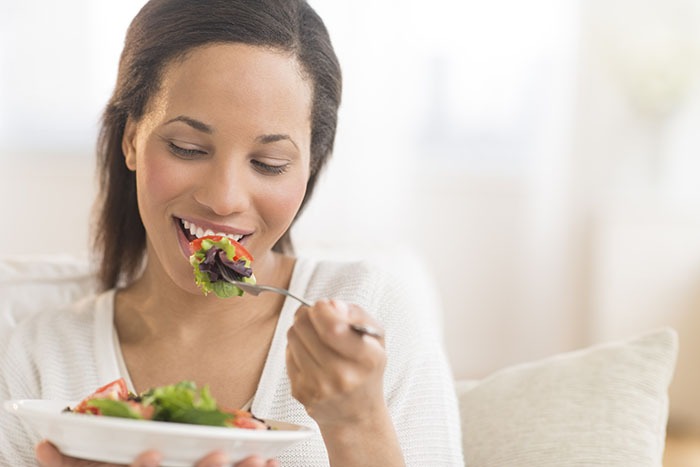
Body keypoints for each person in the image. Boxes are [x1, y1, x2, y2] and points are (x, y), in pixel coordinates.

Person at [0, 0, 464, 465]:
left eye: (269, 164)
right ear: (131, 140)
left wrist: (356, 422)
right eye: (187, 148)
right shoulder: (41, 355)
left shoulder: (371, 311)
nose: (224, 199)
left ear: (309, 168)